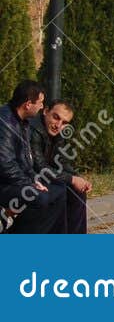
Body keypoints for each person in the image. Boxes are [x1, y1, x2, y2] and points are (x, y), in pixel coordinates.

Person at [0, 81, 65, 234]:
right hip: (4, 184)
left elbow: (25, 161)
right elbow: (4, 164)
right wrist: (29, 183)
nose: (42, 106)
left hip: (15, 181)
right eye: (40, 102)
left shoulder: (23, 122)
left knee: (59, 190)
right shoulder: (5, 123)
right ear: (28, 104)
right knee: (39, 199)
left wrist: (34, 179)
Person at [28, 98, 90, 233]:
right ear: (45, 111)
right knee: (60, 189)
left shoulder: (58, 132)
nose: (58, 125)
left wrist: (78, 178)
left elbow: (61, 161)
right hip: (29, 179)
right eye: (56, 117)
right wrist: (71, 179)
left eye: (64, 123)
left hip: (43, 177)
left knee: (77, 192)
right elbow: (39, 166)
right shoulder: (34, 130)